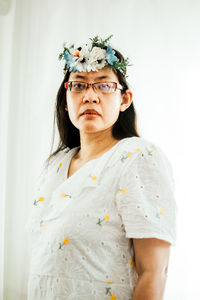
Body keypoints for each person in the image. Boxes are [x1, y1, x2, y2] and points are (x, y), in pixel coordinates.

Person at [26, 35, 177, 300]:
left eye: (104, 86)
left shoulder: (137, 157)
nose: (90, 96)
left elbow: (154, 272)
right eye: (79, 86)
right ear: (65, 99)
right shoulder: (56, 165)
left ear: (124, 99)